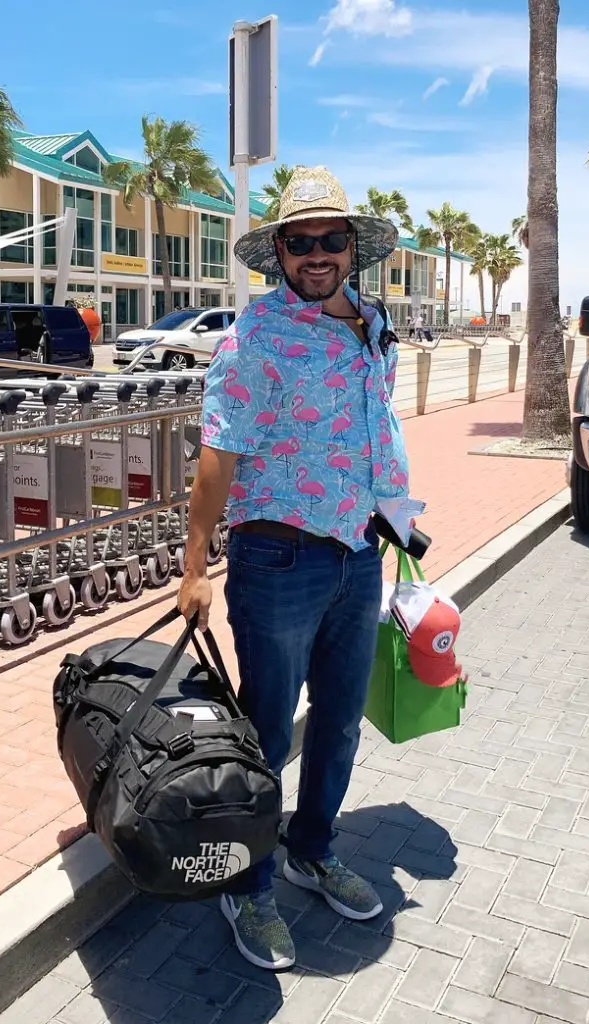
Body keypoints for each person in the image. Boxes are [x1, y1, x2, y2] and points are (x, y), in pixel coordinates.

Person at [177, 166, 411, 970]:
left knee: (341, 721)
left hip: (358, 552)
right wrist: (194, 564)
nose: (317, 253)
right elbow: (219, 452)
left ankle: (313, 849)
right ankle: (248, 882)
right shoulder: (256, 336)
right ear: (278, 251)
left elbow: (376, 426)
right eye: (300, 241)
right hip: (278, 558)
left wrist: (396, 514)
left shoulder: (373, 325)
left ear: (353, 248)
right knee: (269, 731)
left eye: (330, 239)